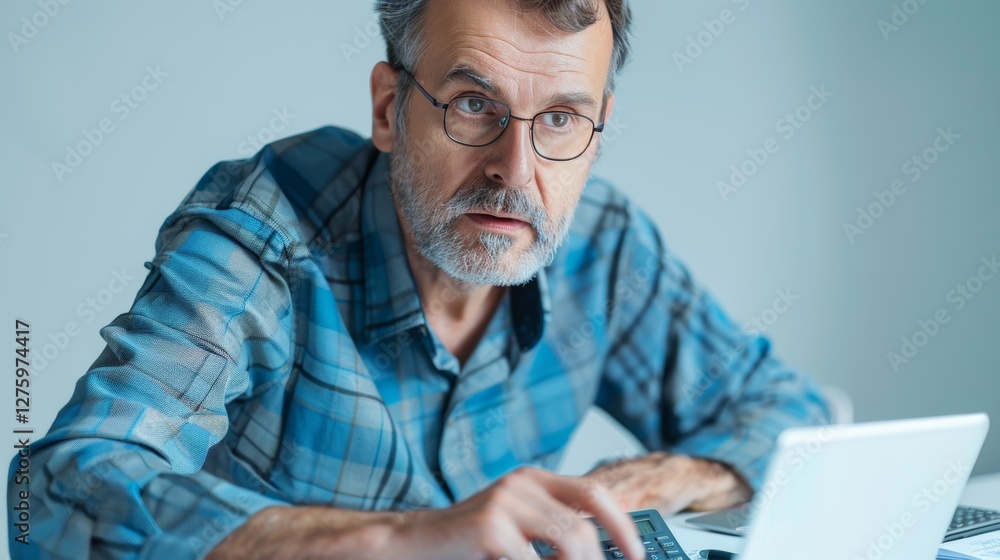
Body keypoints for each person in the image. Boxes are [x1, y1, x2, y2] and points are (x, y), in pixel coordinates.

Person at [8, 0, 830, 558]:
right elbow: (55, 494)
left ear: (597, 129)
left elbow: (791, 414)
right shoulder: (265, 236)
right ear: (387, 108)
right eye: (474, 104)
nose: (516, 170)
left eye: (560, 120)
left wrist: (649, 483)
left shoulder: (605, 246)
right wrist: (405, 541)